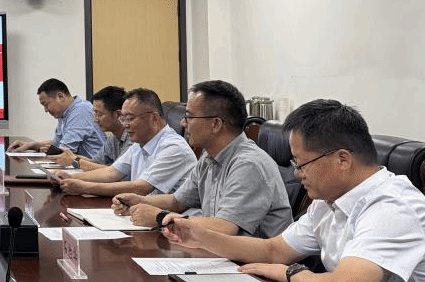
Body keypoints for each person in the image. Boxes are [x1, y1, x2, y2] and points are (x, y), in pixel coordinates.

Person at [166, 99, 425, 282]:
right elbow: (274, 250)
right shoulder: (327, 202)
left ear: (342, 159)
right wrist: (201, 236)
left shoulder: (393, 208)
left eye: (301, 163)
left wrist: (291, 273)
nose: (297, 174)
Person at [112, 80, 291, 236]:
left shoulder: (248, 165)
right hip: (217, 252)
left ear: (216, 124)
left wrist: (160, 217)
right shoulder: (209, 157)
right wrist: (139, 201)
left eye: (189, 116)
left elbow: (225, 228)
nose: (183, 123)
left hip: (252, 262)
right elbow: (177, 201)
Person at [53, 87, 195, 198]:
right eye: (123, 118)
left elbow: (140, 188)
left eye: (130, 119)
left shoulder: (173, 147)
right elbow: (111, 172)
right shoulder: (140, 143)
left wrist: (83, 187)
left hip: (174, 221)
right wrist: (70, 177)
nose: (125, 125)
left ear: (154, 119)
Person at [7, 78, 104, 158]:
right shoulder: (65, 113)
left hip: (95, 168)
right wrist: (30, 145)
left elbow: (65, 150)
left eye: (46, 104)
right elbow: (57, 143)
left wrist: (51, 150)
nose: (46, 110)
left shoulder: (81, 110)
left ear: (60, 97)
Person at [48, 85, 132, 170]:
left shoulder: (132, 138)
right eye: (95, 114)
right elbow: (95, 162)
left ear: (118, 114)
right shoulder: (113, 138)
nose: (95, 120)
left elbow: (116, 171)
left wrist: (74, 161)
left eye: (99, 115)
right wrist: (71, 157)